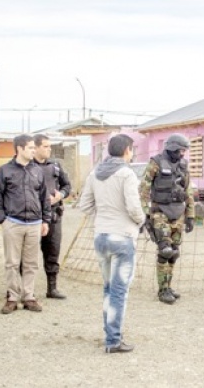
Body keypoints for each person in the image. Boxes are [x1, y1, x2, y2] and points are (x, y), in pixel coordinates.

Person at [78, 134, 144, 353]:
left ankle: (110, 334)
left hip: (101, 236)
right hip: (122, 237)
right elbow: (134, 207)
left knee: (108, 289)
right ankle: (113, 340)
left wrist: (102, 215)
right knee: (118, 291)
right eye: (131, 149)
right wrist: (141, 220)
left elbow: (85, 205)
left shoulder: (95, 173)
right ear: (127, 150)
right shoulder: (127, 174)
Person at [0, 134, 51, 314]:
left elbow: (44, 198)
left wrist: (45, 220)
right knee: (12, 263)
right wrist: (3, 220)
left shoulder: (37, 171)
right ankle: (12, 298)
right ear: (20, 149)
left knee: (31, 263)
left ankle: (29, 297)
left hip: (34, 224)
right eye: (31, 148)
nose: (34, 150)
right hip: (13, 223)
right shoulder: (5, 171)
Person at [139, 133, 195, 305]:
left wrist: (191, 215)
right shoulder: (155, 162)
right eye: (180, 151)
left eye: (184, 151)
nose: (182, 154)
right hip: (160, 212)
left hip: (178, 213)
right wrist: (145, 214)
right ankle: (162, 290)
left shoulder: (184, 165)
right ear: (171, 148)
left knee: (174, 252)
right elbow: (144, 190)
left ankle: (168, 286)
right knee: (165, 250)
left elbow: (188, 191)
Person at [33, 134, 71, 299]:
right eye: (45, 146)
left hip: (54, 215)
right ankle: (26, 290)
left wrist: (60, 195)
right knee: (28, 255)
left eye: (50, 146)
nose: (49, 149)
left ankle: (52, 288)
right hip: (33, 216)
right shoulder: (28, 166)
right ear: (35, 147)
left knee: (53, 252)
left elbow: (67, 185)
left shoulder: (55, 165)